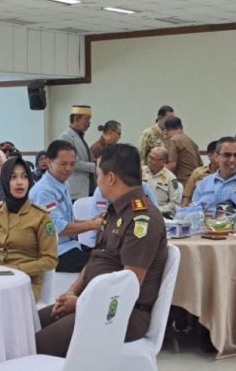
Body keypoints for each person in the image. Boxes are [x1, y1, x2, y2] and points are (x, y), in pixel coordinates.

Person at [36, 144, 168, 358]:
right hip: (92, 303)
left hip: (119, 314)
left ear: (111, 178)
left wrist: (81, 304)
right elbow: (96, 259)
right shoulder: (115, 211)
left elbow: (128, 286)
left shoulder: (142, 219)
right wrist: (72, 291)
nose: (97, 181)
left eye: (98, 175)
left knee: (36, 345)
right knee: (25, 328)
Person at [0, 156, 59, 301]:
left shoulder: (41, 217)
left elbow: (50, 259)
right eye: (13, 177)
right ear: (4, 181)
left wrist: (18, 269)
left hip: (25, 282)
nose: (19, 182)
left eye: (24, 177)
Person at [29, 140, 102, 272]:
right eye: (63, 164)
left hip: (69, 245)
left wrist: (93, 221)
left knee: (104, 256)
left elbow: (67, 221)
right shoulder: (44, 191)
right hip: (54, 253)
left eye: (72, 164)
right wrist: (93, 225)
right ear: (49, 162)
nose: (68, 169)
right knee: (102, 266)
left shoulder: (62, 183)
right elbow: (58, 228)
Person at [192, 137, 236, 216]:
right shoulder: (204, 184)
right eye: (227, 155)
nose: (232, 160)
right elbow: (194, 212)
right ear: (216, 156)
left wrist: (217, 219)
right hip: (206, 224)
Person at [59, 105, 95, 200]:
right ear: (76, 119)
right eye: (87, 119)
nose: (89, 124)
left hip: (87, 189)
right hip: (76, 191)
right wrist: (95, 167)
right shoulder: (66, 137)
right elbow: (73, 163)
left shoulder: (79, 136)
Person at [164, 117, 202, 186]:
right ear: (181, 127)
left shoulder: (173, 141)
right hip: (196, 181)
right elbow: (200, 164)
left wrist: (157, 171)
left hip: (182, 182)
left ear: (166, 130)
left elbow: (171, 165)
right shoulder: (191, 141)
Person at [142, 147, 178, 217]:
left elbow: (174, 203)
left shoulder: (171, 178)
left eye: (152, 158)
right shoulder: (140, 172)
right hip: (140, 210)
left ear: (163, 162)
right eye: (149, 157)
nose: (149, 160)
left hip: (160, 214)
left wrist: (158, 210)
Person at [182, 140, 219, 206]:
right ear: (210, 155)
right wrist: (184, 209)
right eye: (219, 154)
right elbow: (187, 197)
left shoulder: (228, 174)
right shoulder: (198, 172)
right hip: (198, 208)